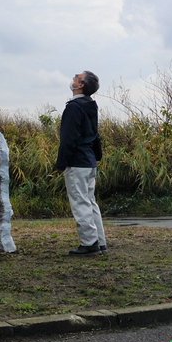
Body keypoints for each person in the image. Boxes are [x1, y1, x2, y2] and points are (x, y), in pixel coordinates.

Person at [56, 70, 107, 256]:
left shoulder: (74, 108)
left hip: (77, 162)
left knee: (80, 203)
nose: (75, 76)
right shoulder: (91, 105)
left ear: (81, 85)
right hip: (89, 161)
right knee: (90, 202)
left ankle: (90, 243)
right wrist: (97, 156)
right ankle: (99, 242)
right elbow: (94, 135)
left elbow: (69, 139)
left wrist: (62, 163)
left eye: (78, 77)